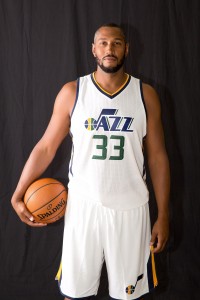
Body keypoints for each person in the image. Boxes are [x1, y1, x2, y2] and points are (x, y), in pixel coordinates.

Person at [11, 23, 170, 300]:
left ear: (127, 49)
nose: (110, 48)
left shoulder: (146, 95)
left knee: (130, 296)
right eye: (104, 43)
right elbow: (46, 147)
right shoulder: (73, 92)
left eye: (117, 43)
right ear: (94, 49)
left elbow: (157, 157)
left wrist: (164, 214)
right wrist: (18, 193)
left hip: (131, 210)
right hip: (83, 209)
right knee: (74, 294)